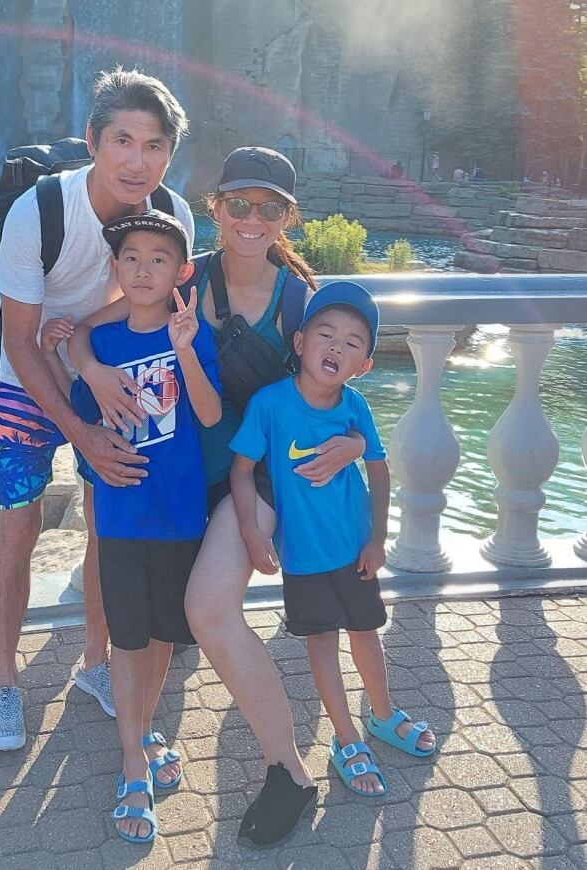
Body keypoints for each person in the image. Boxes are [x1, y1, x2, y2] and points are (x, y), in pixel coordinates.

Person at [68, 146, 368, 848]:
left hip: (255, 476)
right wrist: (88, 371)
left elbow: (340, 376)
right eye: (239, 204)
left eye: (269, 207)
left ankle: (286, 771)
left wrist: (354, 443)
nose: (251, 218)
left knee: (206, 611)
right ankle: (140, 750)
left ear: (288, 217)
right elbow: (90, 331)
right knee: (160, 621)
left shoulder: (299, 298)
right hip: (181, 480)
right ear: (217, 209)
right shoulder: (182, 278)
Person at [0, 68, 194, 751]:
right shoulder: (38, 211)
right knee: (19, 525)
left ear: (169, 154)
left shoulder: (173, 216)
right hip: (25, 379)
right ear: (94, 141)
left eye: (154, 145)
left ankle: (95, 665)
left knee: (111, 522)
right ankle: (3, 683)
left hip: (114, 378)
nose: (138, 160)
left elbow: (154, 306)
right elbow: (19, 335)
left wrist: (89, 352)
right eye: (123, 140)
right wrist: (77, 422)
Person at [230, 280, 437, 802]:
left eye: (352, 343)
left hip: (355, 550)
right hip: (302, 558)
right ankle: (345, 739)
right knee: (321, 644)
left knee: (366, 632)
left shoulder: (356, 407)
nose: (336, 348)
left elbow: (380, 471)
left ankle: (383, 715)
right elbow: (241, 471)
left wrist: (378, 538)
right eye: (326, 334)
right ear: (299, 343)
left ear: (364, 364)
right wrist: (253, 535)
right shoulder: (269, 405)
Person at [51, 211, 221, 843]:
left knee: (162, 638)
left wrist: (184, 347)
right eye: (132, 257)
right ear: (115, 270)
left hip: (179, 517)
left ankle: (146, 729)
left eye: (159, 258)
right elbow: (83, 421)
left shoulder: (191, 334)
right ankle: (130, 760)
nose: (144, 267)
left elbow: (206, 411)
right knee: (127, 638)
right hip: (122, 517)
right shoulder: (105, 342)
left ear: (181, 272)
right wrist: (71, 352)